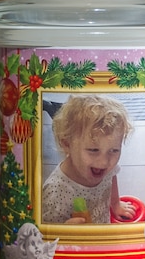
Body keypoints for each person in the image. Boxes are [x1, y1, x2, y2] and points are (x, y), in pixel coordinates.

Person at [43, 94, 136, 224]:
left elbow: (112, 176)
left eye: (114, 150)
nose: (105, 162)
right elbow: (48, 236)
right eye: (93, 150)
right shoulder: (55, 192)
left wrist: (115, 204)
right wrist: (66, 230)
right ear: (67, 144)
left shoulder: (107, 166)